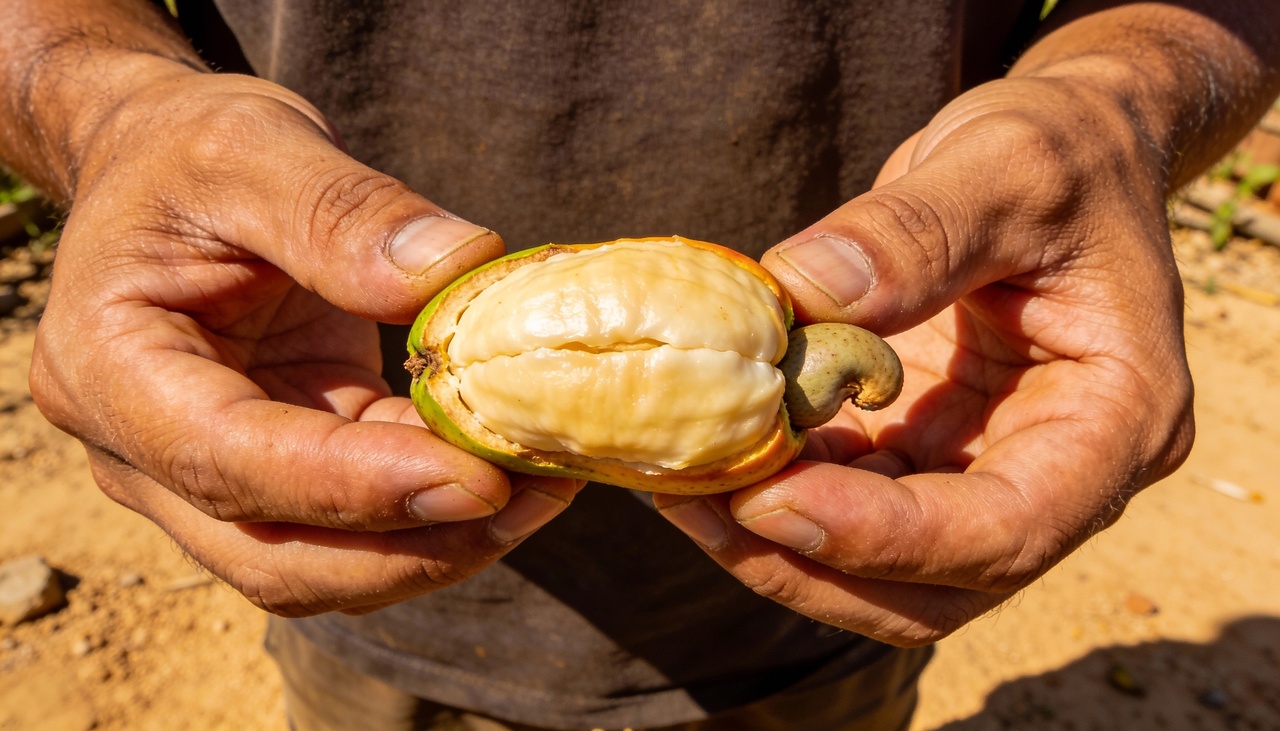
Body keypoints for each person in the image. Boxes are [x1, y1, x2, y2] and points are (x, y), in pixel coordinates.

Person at [3, 1, 1278, 729]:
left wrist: (1123, 98)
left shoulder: (804, 413)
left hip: (836, 568)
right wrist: (104, 108)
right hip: (353, 534)